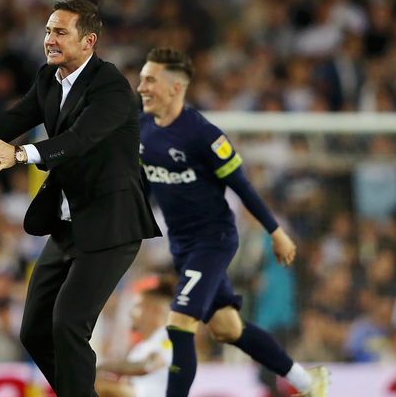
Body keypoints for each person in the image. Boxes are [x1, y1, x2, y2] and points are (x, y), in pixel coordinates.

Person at [0, 0, 160, 397]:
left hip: (110, 227)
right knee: (36, 331)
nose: (49, 40)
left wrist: (20, 154)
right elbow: (17, 118)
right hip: (66, 227)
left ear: (89, 41)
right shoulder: (48, 79)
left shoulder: (110, 86)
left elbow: (78, 140)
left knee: (69, 324)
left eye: (60, 32)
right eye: (47, 31)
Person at [135, 47, 329, 397]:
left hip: (213, 240)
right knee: (228, 328)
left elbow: (243, 187)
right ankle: (307, 381)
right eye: (142, 79)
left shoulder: (202, 134)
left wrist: (276, 231)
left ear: (175, 88)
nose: (142, 87)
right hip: (181, 245)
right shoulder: (142, 129)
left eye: (151, 80)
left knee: (179, 324)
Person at [95, 275, 175, 397]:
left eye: (137, 306)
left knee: (93, 383)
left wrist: (104, 367)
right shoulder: (140, 348)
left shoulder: (167, 338)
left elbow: (151, 364)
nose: (131, 312)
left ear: (155, 310)